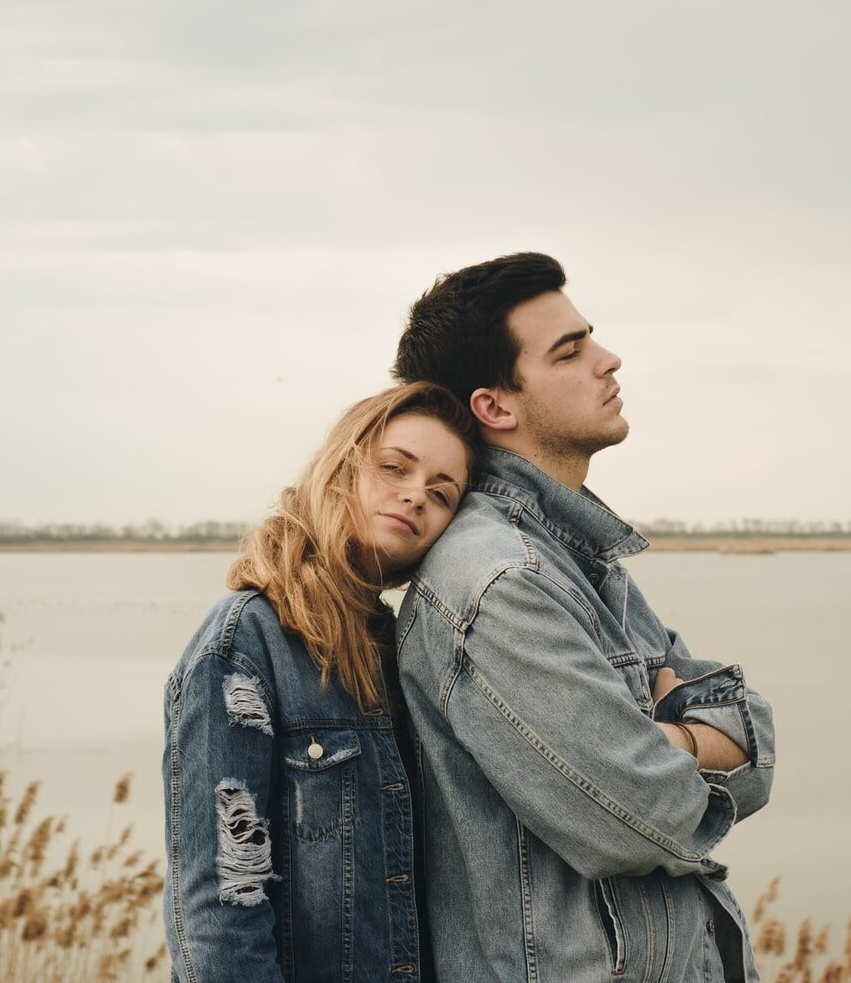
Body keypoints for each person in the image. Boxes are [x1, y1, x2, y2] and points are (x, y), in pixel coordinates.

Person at [392, 253, 776, 983]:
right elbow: (641, 813)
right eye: (570, 351)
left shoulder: (581, 562)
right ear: (495, 406)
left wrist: (664, 743)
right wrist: (692, 737)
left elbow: (754, 737)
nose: (609, 359)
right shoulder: (499, 583)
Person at [161, 381, 474, 983]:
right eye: (394, 468)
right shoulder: (245, 642)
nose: (416, 496)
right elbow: (219, 915)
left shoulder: (402, 650)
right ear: (340, 469)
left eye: (441, 493)